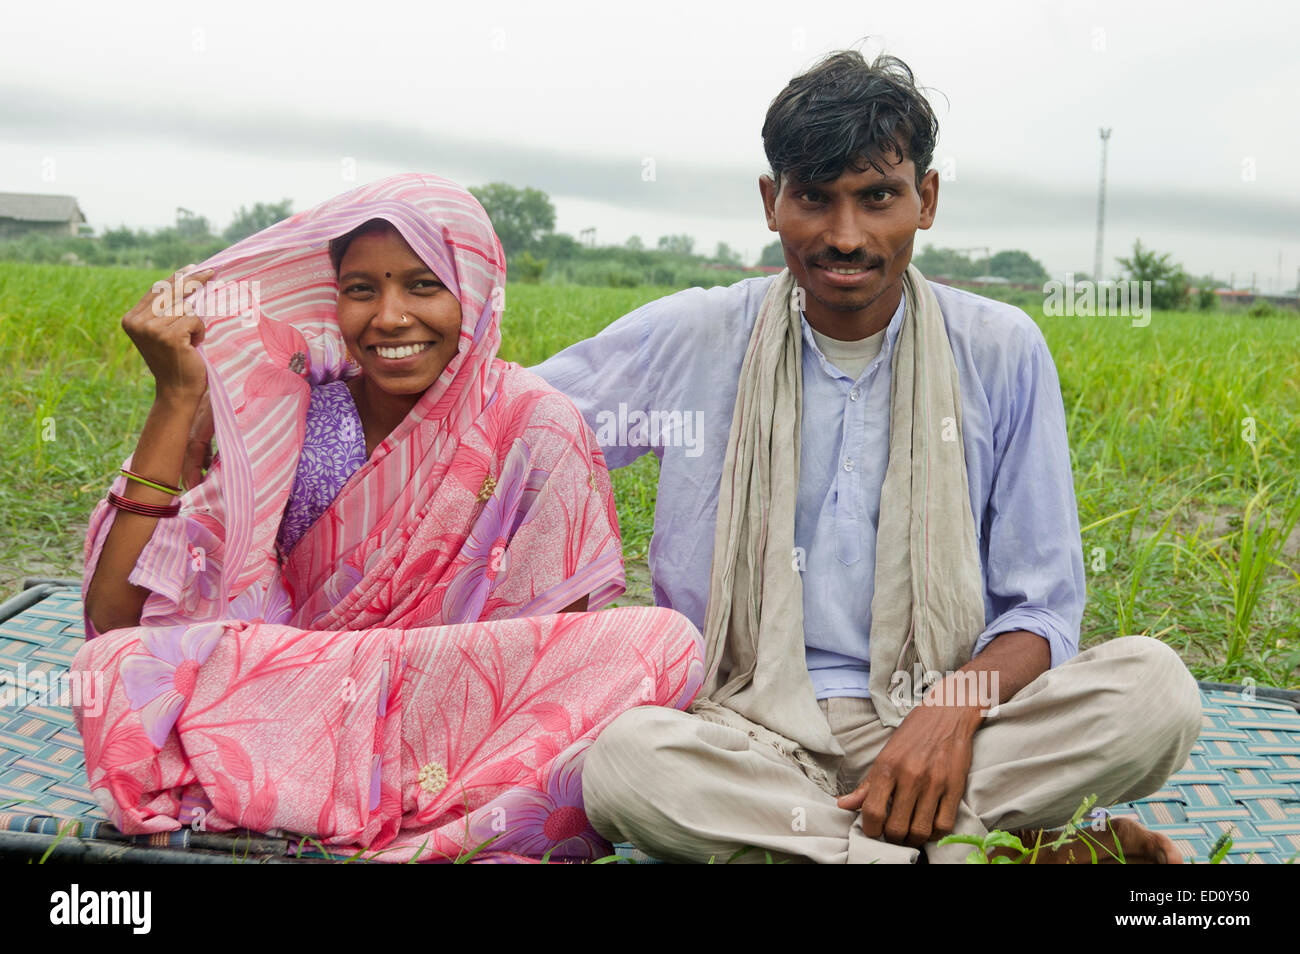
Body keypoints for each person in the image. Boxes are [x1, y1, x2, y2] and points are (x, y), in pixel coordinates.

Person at [531, 51, 1203, 863]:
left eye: (877, 196)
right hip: (747, 731)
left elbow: (1044, 611)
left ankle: (859, 845)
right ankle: (976, 849)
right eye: (814, 198)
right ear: (771, 202)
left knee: (1155, 690)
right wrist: (343, 371)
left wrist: (947, 714)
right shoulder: (698, 335)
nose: (845, 236)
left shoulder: (999, 349)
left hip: (961, 731)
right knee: (627, 763)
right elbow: (517, 430)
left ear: (925, 200)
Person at [73, 173, 704, 862]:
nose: (390, 317)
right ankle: (377, 798)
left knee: (666, 643)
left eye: (423, 285)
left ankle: (359, 799)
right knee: (114, 667)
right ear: (333, 298)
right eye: (362, 289)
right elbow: (115, 618)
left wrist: (406, 678)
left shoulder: (532, 421)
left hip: (453, 718)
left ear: (473, 291)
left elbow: (548, 657)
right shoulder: (296, 412)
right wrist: (175, 395)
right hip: (301, 703)